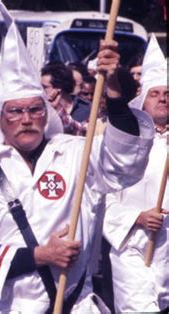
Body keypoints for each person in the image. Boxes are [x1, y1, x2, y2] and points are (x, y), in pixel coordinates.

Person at [0, 15, 154, 313]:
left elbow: (123, 163)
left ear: (47, 114)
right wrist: (41, 255)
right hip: (12, 307)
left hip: (76, 304)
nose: (27, 118)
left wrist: (116, 97)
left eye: (34, 109)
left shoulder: (75, 154)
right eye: (15, 111)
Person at [103, 35, 168, 312]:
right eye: (155, 93)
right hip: (132, 248)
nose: (163, 99)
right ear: (142, 101)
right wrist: (136, 217)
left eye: (168, 94)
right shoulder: (124, 142)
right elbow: (100, 195)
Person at [41, 62, 90, 135]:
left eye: (45, 87)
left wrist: (57, 108)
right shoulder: (41, 110)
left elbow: (83, 133)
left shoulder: (86, 108)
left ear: (58, 88)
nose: (41, 90)